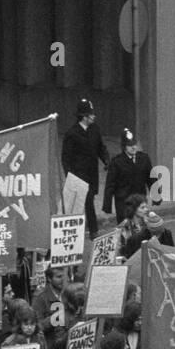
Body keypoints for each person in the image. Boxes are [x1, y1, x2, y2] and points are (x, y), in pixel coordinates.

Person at [61, 97, 110, 242]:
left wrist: (106, 160)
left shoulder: (95, 129)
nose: (94, 116)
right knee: (84, 202)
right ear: (84, 116)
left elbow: (100, 147)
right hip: (79, 174)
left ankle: (89, 229)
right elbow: (66, 158)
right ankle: (92, 230)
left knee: (89, 200)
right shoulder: (72, 134)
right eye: (91, 114)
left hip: (92, 173)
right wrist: (70, 176)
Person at [102, 129, 153, 223]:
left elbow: (151, 178)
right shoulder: (116, 162)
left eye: (135, 145)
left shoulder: (144, 158)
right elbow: (110, 185)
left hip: (140, 202)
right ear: (124, 147)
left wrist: (157, 196)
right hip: (124, 204)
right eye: (130, 145)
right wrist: (107, 206)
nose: (133, 147)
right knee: (126, 231)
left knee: (142, 230)